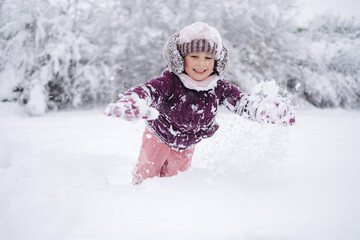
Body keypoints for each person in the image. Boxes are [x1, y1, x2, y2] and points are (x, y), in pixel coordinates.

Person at [104, 22, 295, 185]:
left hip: (187, 144)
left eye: (208, 58)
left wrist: (263, 110)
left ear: (216, 61)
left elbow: (241, 102)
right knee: (147, 177)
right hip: (158, 136)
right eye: (194, 56)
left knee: (177, 183)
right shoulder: (171, 81)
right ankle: (137, 204)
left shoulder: (218, 87)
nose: (201, 64)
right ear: (180, 59)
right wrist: (133, 101)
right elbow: (148, 90)